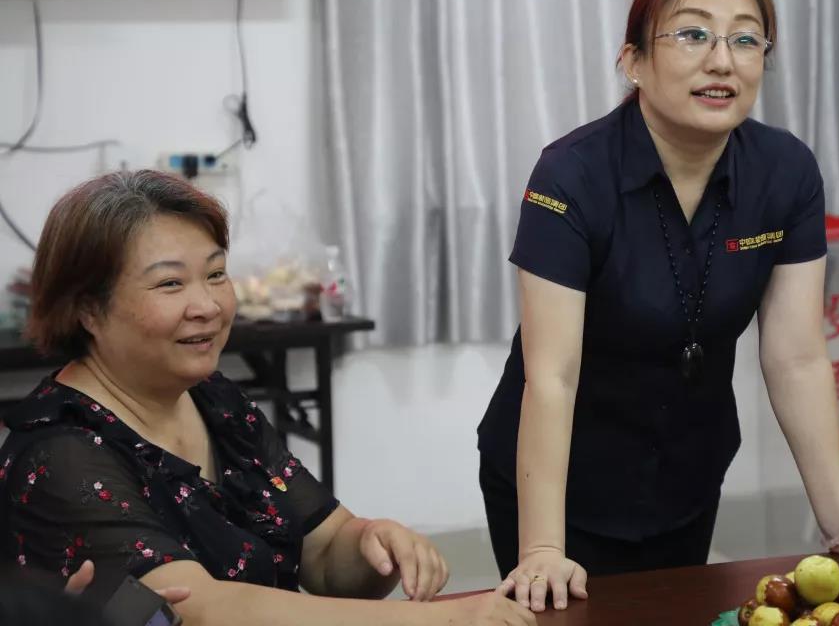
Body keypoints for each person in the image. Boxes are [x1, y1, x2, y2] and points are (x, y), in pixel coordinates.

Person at [477, 0, 839, 614]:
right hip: (560, 486)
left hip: (687, 473)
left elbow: (797, 357)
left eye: (746, 39)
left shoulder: (785, 172)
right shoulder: (571, 175)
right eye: (693, 34)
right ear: (634, 60)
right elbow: (551, 375)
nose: (722, 61)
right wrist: (544, 548)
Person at [0, 170, 535, 626]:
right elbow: (202, 611)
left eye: (216, 274)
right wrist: (440, 618)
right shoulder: (60, 452)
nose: (208, 305)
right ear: (88, 310)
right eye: (170, 285)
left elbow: (324, 550)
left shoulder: (214, 400)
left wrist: (373, 543)